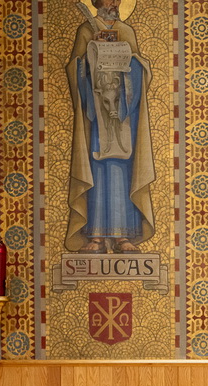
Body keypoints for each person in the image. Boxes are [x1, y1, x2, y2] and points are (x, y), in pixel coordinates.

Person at [65, 0, 156, 253]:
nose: (114, 2)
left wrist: (127, 60)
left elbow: (141, 68)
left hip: (123, 115)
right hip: (96, 116)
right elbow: (74, 68)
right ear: (96, 1)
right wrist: (92, 55)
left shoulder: (126, 31)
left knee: (121, 170)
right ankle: (94, 236)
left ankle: (122, 237)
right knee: (98, 168)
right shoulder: (86, 30)